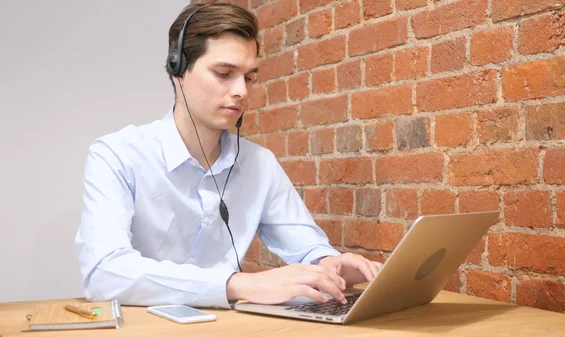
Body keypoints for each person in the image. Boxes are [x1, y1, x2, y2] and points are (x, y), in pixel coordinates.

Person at [75, 2, 382, 309]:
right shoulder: (117, 154)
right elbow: (104, 273)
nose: (242, 91)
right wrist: (238, 284)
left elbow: (306, 248)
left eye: (249, 77)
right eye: (224, 73)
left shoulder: (259, 164)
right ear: (177, 69)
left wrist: (330, 263)